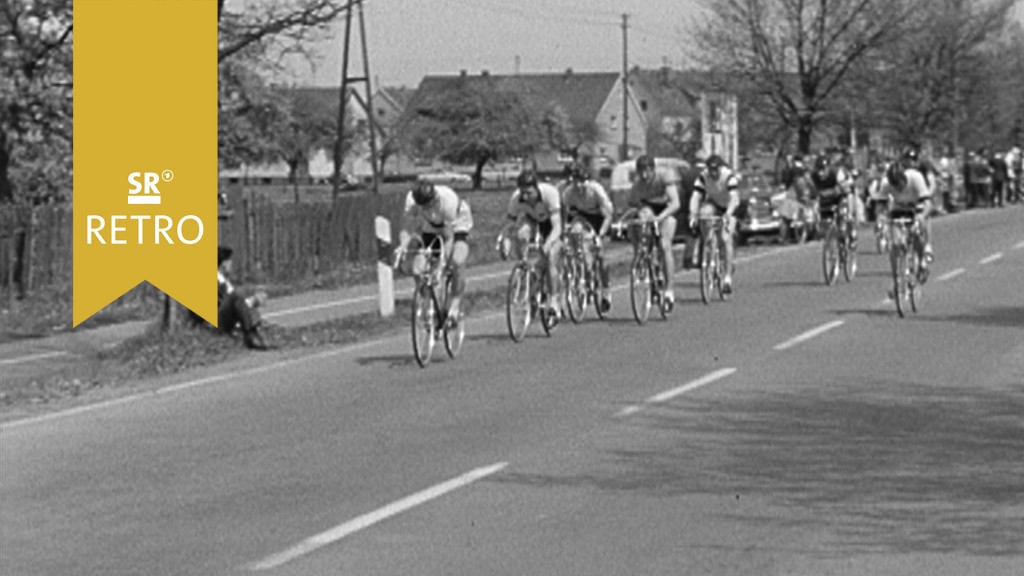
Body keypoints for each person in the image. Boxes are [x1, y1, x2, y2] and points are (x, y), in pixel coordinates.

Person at [395, 180, 473, 326]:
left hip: (457, 223)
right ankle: (427, 301)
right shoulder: (411, 200)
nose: (428, 207)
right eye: (424, 206)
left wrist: (442, 266)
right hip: (431, 225)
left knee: (456, 261)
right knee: (417, 269)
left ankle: (455, 305)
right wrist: (403, 245)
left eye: (430, 204)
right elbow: (406, 226)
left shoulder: (447, 200)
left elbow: (448, 236)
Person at [501, 169, 564, 318]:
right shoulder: (516, 199)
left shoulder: (550, 193)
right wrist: (506, 241)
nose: (525, 196)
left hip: (551, 222)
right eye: (522, 192)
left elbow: (557, 227)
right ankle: (526, 270)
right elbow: (509, 225)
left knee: (550, 255)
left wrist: (549, 242)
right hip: (532, 218)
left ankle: (554, 299)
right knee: (521, 234)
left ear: (536, 187)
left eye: (529, 192)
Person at [559, 161, 614, 312]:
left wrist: (600, 235)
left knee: (601, 256)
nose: (578, 185)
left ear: (587, 181)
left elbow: (608, 216)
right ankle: (582, 276)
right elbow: (564, 214)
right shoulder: (568, 193)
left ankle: (606, 291)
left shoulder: (596, 190)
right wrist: (563, 230)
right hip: (583, 218)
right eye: (575, 181)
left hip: (600, 219)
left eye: (582, 181)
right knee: (576, 239)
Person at [629, 155, 681, 304]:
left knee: (665, 246)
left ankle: (669, 290)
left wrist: (661, 218)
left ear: (653, 169)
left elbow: (675, 203)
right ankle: (645, 262)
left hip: (666, 211)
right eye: (641, 172)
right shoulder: (638, 184)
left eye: (647, 171)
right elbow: (632, 203)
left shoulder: (664, 177)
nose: (644, 175)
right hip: (649, 211)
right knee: (640, 223)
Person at [688, 154, 739, 293]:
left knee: (725, 238)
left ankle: (727, 277)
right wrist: (693, 213)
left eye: (716, 170)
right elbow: (696, 196)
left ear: (721, 168)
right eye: (711, 170)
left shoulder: (728, 176)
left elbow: (734, 198)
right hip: (714, 203)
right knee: (704, 214)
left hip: (729, 206)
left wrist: (728, 214)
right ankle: (709, 244)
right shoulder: (703, 177)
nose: (713, 173)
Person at [880, 157, 934, 281]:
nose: (898, 188)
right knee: (895, 243)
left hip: (916, 207)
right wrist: (881, 218)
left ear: (904, 178)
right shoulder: (886, 184)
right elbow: (880, 206)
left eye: (899, 185)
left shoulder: (916, 177)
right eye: (895, 186)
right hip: (898, 209)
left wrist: (922, 216)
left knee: (916, 233)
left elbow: (928, 204)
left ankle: (922, 261)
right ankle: (896, 276)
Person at [217, 246, 268, 350]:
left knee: (240, 296)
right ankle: (251, 334)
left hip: (227, 314)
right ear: (223, 264)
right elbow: (224, 304)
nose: (231, 264)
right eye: (229, 261)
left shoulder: (223, 280)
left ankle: (255, 332)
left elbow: (237, 304)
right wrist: (252, 301)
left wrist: (253, 301)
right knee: (238, 295)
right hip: (219, 319)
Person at [810, 150, 857, 246]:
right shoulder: (813, 176)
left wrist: (840, 188)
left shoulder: (837, 173)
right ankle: (831, 237)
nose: (820, 173)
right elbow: (813, 193)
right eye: (818, 170)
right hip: (827, 199)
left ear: (828, 168)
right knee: (824, 220)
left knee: (845, 215)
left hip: (841, 196)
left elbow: (849, 183)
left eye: (823, 170)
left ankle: (851, 234)